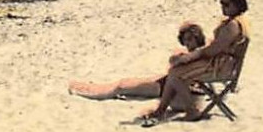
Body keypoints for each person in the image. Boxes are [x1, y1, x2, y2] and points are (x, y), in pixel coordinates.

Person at [139, 0, 251, 126]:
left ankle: (190, 110)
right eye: (221, 3)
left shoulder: (233, 25)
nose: (223, 7)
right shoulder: (240, 22)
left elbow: (213, 50)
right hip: (222, 64)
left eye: (226, 4)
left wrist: (190, 56)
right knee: (176, 69)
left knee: (175, 73)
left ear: (237, 5)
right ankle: (161, 110)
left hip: (220, 67)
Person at [69, 22, 209, 101]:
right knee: (122, 82)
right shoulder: (194, 54)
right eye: (186, 40)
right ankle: (87, 87)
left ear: (198, 38)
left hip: (162, 87)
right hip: (164, 82)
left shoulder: (196, 55)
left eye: (190, 40)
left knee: (121, 86)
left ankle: (88, 93)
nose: (188, 43)